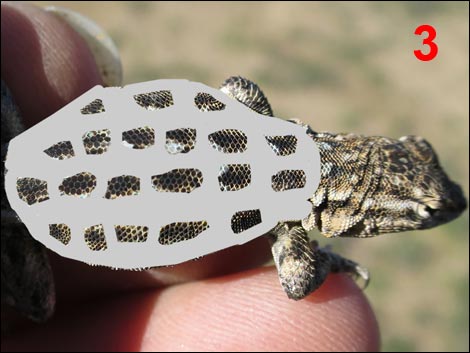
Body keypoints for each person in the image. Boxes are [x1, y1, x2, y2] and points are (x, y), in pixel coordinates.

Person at [1, 3, 379, 351]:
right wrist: (325, 260)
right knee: (40, 306)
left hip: (31, 159)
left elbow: (238, 87)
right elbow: (297, 282)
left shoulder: (266, 145)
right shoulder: (285, 220)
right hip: (29, 207)